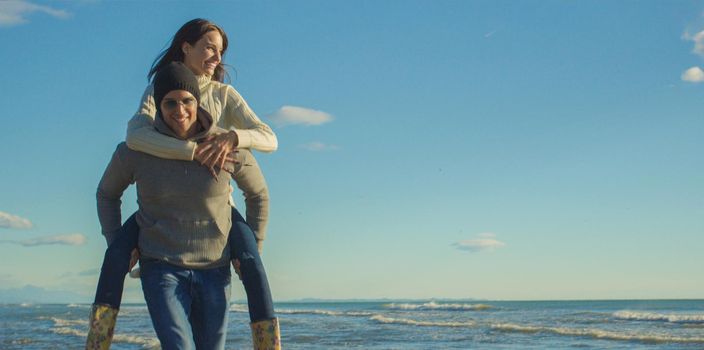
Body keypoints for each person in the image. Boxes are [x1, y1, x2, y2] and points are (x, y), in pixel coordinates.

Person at [86, 19, 280, 350]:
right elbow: (134, 136)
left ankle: (269, 344)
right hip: (163, 219)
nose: (216, 57)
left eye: (220, 51)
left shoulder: (224, 95)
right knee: (117, 253)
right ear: (185, 47)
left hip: (217, 212)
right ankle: (97, 341)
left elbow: (268, 141)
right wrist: (193, 152)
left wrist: (233, 137)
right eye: (209, 47)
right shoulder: (156, 90)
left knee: (252, 263)